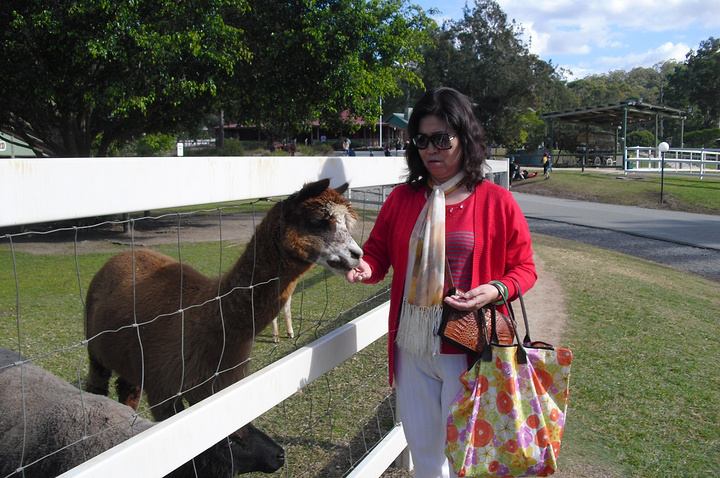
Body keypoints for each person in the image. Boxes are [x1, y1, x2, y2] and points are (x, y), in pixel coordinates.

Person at [345, 87, 536, 478]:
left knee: (465, 453)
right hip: (411, 347)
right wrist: (366, 268)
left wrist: (495, 290)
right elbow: (378, 252)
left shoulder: (497, 201)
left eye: (441, 139)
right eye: (421, 139)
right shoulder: (402, 199)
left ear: (464, 138)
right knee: (425, 453)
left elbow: (524, 269)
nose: (431, 149)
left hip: (467, 350)